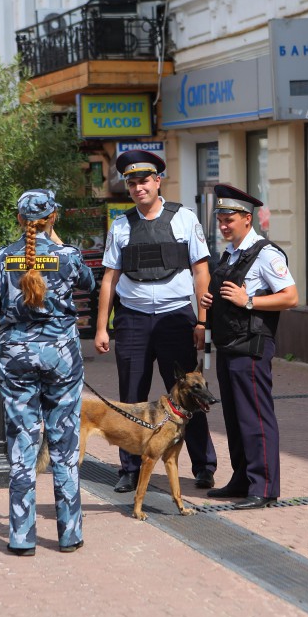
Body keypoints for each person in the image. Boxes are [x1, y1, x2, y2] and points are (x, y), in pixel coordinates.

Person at [94, 149, 218, 493]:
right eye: (132, 183)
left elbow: (201, 271)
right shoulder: (120, 226)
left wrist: (202, 321)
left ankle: (204, 466)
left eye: (144, 181)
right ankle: (129, 468)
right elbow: (109, 279)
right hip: (132, 320)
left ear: (157, 181)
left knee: (190, 397)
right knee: (131, 397)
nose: (138, 188)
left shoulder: (184, 219)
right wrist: (103, 327)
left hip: (176, 316)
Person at [0, 189, 94, 555]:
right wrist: (56, 241)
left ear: (19, 220)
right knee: (65, 445)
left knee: (22, 444)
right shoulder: (68, 256)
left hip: (15, 358)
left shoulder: (0, 258)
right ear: (53, 217)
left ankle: (21, 538)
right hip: (62, 357)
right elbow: (90, 283)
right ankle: (69, 534)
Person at [200, 183, 298, 510]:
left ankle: (264, 486)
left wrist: (249, 300)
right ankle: (242, 478)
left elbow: (291, 296)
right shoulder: (231, 253)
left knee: (255, 417)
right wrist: (211, 302)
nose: (223, 225)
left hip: (252, 346)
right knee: (235, 418)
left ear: (247, 218)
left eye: (229, 219)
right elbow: (229, 294)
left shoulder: (266, 253)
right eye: (220, 220)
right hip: (230, 343)